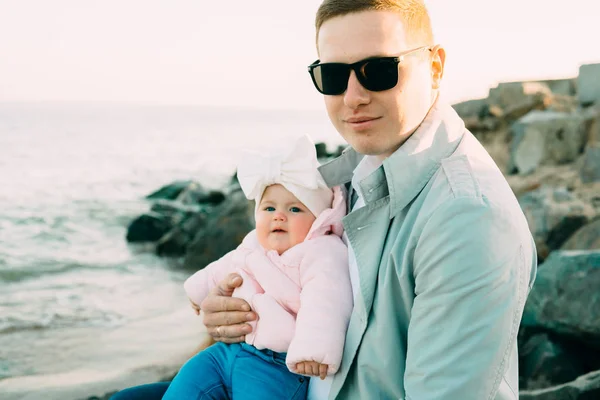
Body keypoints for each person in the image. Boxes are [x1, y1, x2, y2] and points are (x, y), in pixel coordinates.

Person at [112, 0, 538, 399]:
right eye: (333, 76)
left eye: (378, 70)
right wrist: (228, 315)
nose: (352, 97)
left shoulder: (466, 219)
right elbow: (286, 272)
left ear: (435, 66)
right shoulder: (354, 176)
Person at [160, 134, 352, 399]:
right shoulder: (253, 245)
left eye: (295, 209)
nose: (279, 216)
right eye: (269, 208)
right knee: (188, 385)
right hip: (227, 352)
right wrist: (199, 291)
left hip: (275, 364)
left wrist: (313, 350)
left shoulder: (322, 252)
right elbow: (224, 268)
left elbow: (326, 301)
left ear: (319, 219)